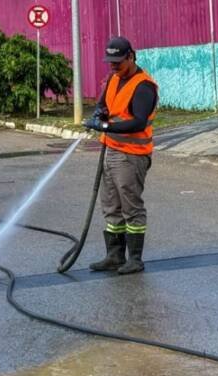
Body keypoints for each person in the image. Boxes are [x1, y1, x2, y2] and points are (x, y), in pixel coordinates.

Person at [83, 37, 159, 275]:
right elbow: (105, 104)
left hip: (131, 155)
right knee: (111, 205)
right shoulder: (114, 79)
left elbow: (137, 122)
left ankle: (135, 259)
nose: (113, 66)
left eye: (118, 61)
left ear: (130, 56)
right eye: (110, 62)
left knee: (131, 206)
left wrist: (104, 127)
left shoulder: (144, 86)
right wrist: (99, 111)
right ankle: (114, 255)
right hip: (111, 150)